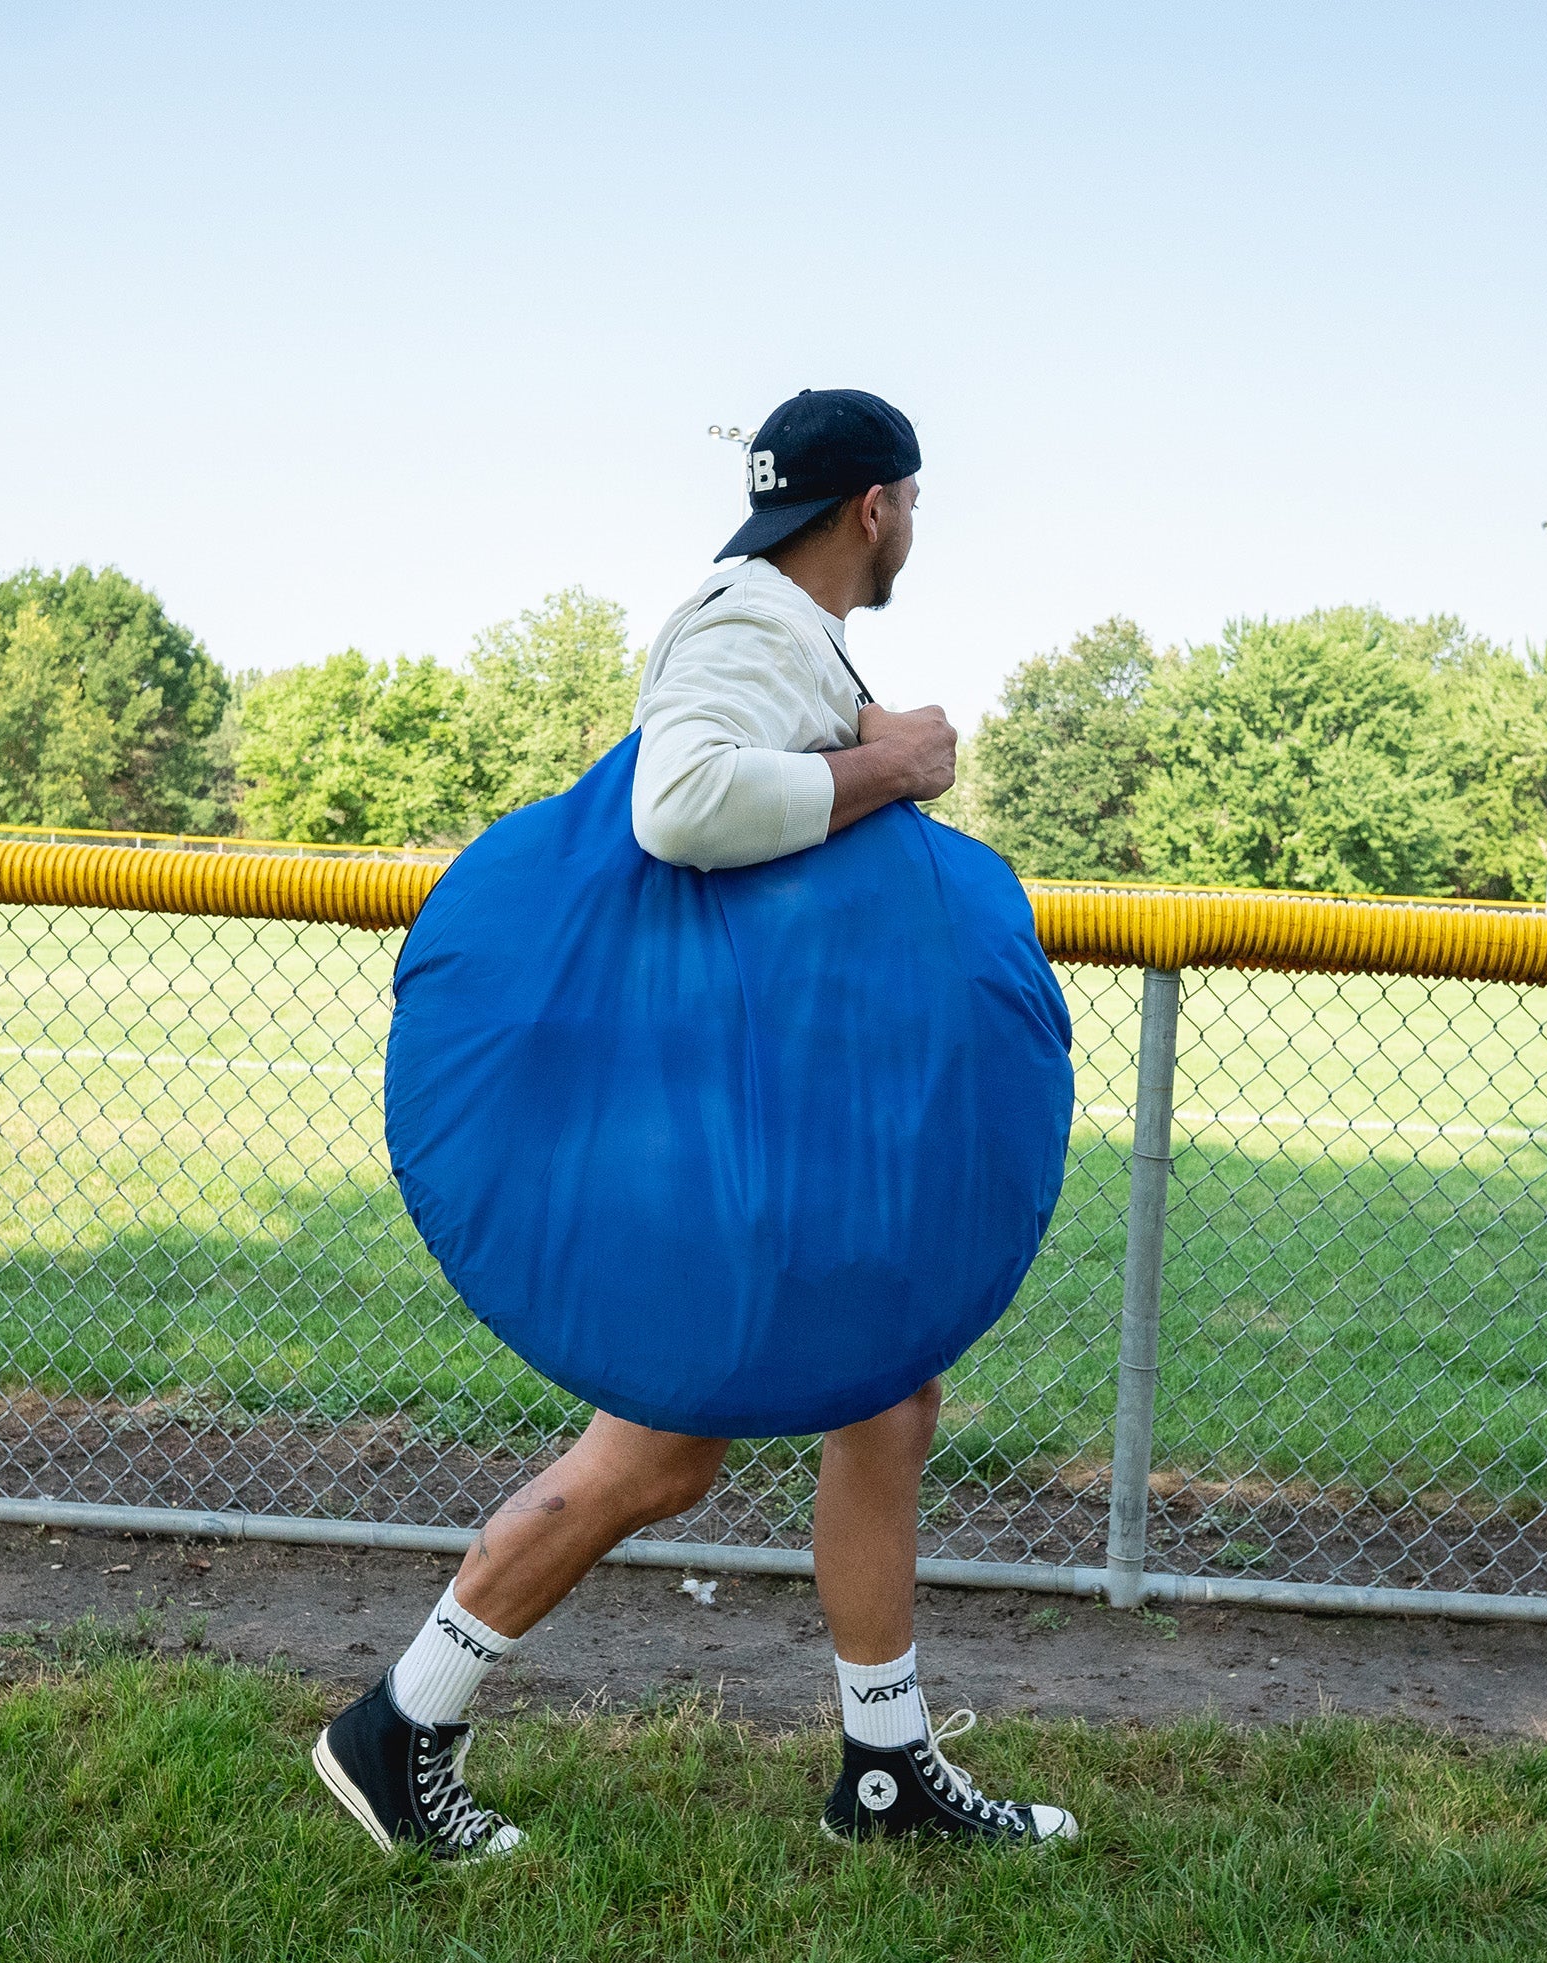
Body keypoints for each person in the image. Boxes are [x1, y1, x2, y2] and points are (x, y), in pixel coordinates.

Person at [312, 389, 1077, 1861]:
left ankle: (883, 1763)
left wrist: (866, 733)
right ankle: (395, 1730)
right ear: (875, 506)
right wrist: (897, 765)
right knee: (659, 1457)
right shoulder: (747, 620)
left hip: (758, 1124)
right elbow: (682, 805)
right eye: (912, 502)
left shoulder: (789, 633)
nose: (916, 525)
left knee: (885, 1399)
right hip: (712, 1138)